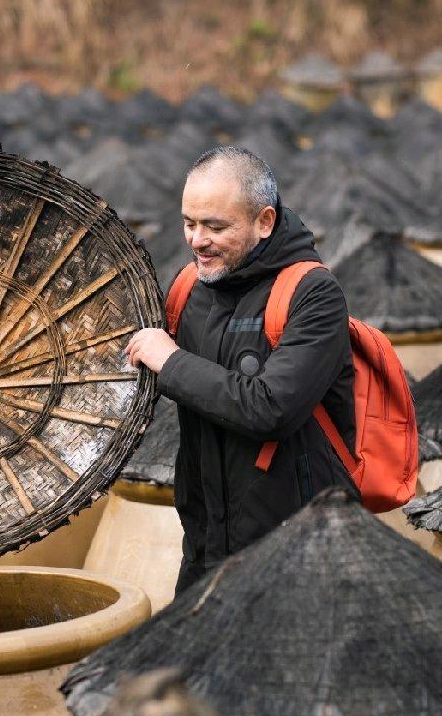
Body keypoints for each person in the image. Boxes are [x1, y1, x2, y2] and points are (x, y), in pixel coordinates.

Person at [126, 146, 356, 595]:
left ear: (264, 222)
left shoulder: (314, 294)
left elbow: (270, 408)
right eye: (189, 223)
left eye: (215, 226)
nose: (196, 240)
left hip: (299, 550)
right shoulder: (188, 288)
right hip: (204, 546)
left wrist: (169, 360)